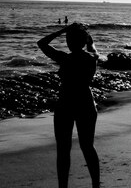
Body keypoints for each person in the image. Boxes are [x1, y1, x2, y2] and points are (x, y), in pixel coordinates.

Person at [37, 23, 100, 188]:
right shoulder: (92, 58)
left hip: (66, 103)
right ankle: (95, 185)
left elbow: (41, 43)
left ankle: (63, 186)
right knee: (87, 146)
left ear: (70, 41)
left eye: (67, 38)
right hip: (86, 102)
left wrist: (63, 30)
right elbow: (92, 47)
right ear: (83, 42)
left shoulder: (65, 58)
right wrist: (87, 38)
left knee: (63, 149)